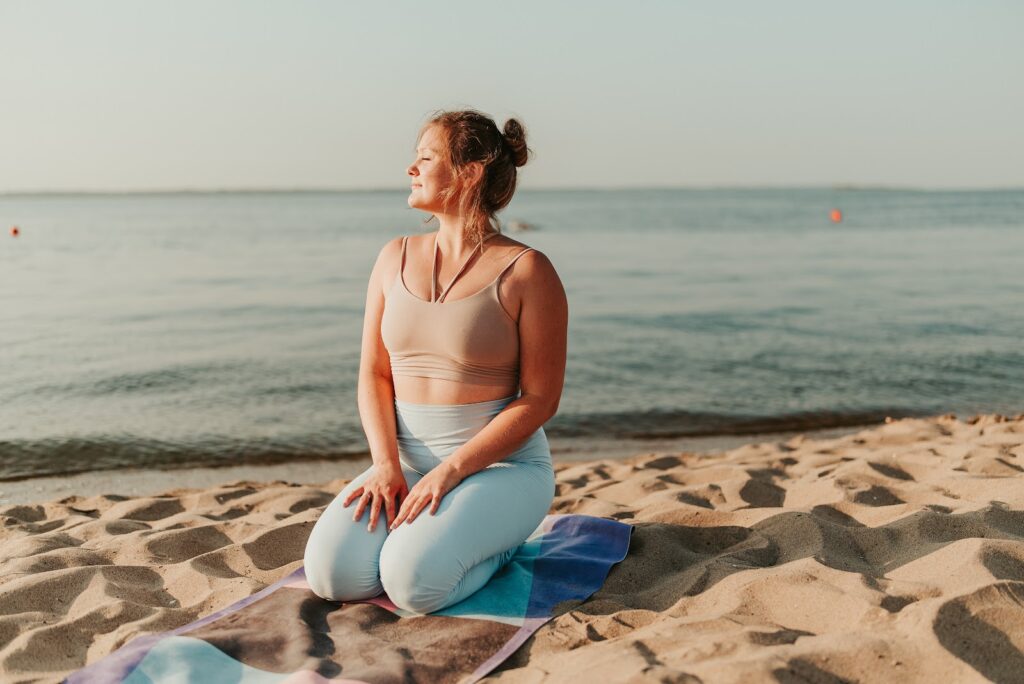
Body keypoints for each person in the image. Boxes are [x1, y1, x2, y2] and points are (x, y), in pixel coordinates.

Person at [303, 110, 569, 615]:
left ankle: (503, 544)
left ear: (468, 172)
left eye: (425, 157)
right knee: (332, 577)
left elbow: (540, 399)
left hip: (501, 468)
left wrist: (451, 473)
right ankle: (444, 531)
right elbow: (374, 374)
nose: (411, 168)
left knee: (412, 585)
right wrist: (385, 466)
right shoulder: (392, 256)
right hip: (405, 465)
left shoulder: (528, 271)